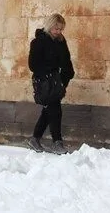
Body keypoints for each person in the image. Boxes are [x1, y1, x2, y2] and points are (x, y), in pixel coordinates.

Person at [27, 13, 75, 154]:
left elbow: (66, 60)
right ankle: (57, 142)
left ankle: (35, 139)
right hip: (44, 82)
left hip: (57, 82)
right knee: (55, 110)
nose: (58, 32)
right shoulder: (39, 42)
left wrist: (66, 76)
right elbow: (33, 64)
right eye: (56, 28)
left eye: (61, 29)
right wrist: (47, 74)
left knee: (49, 111)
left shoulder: (61, 41)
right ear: (49, 26)